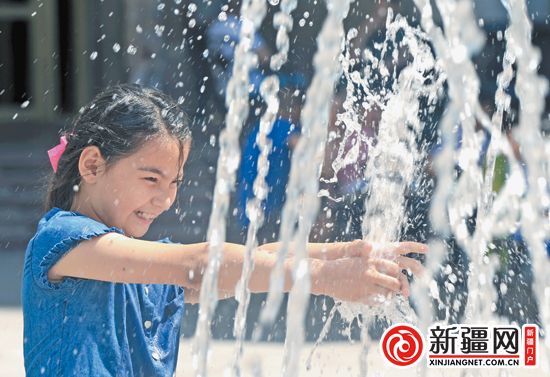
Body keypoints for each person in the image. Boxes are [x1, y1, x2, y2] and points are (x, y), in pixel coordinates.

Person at [22, 84, 427, 376]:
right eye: (151, 179)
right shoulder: (61, 240)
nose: (166, 200)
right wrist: (324, 278)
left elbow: (244, 263)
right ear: (92, 165)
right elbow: (198, 264)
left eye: (175, 183)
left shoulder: (136, 266)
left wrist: (340, 254)